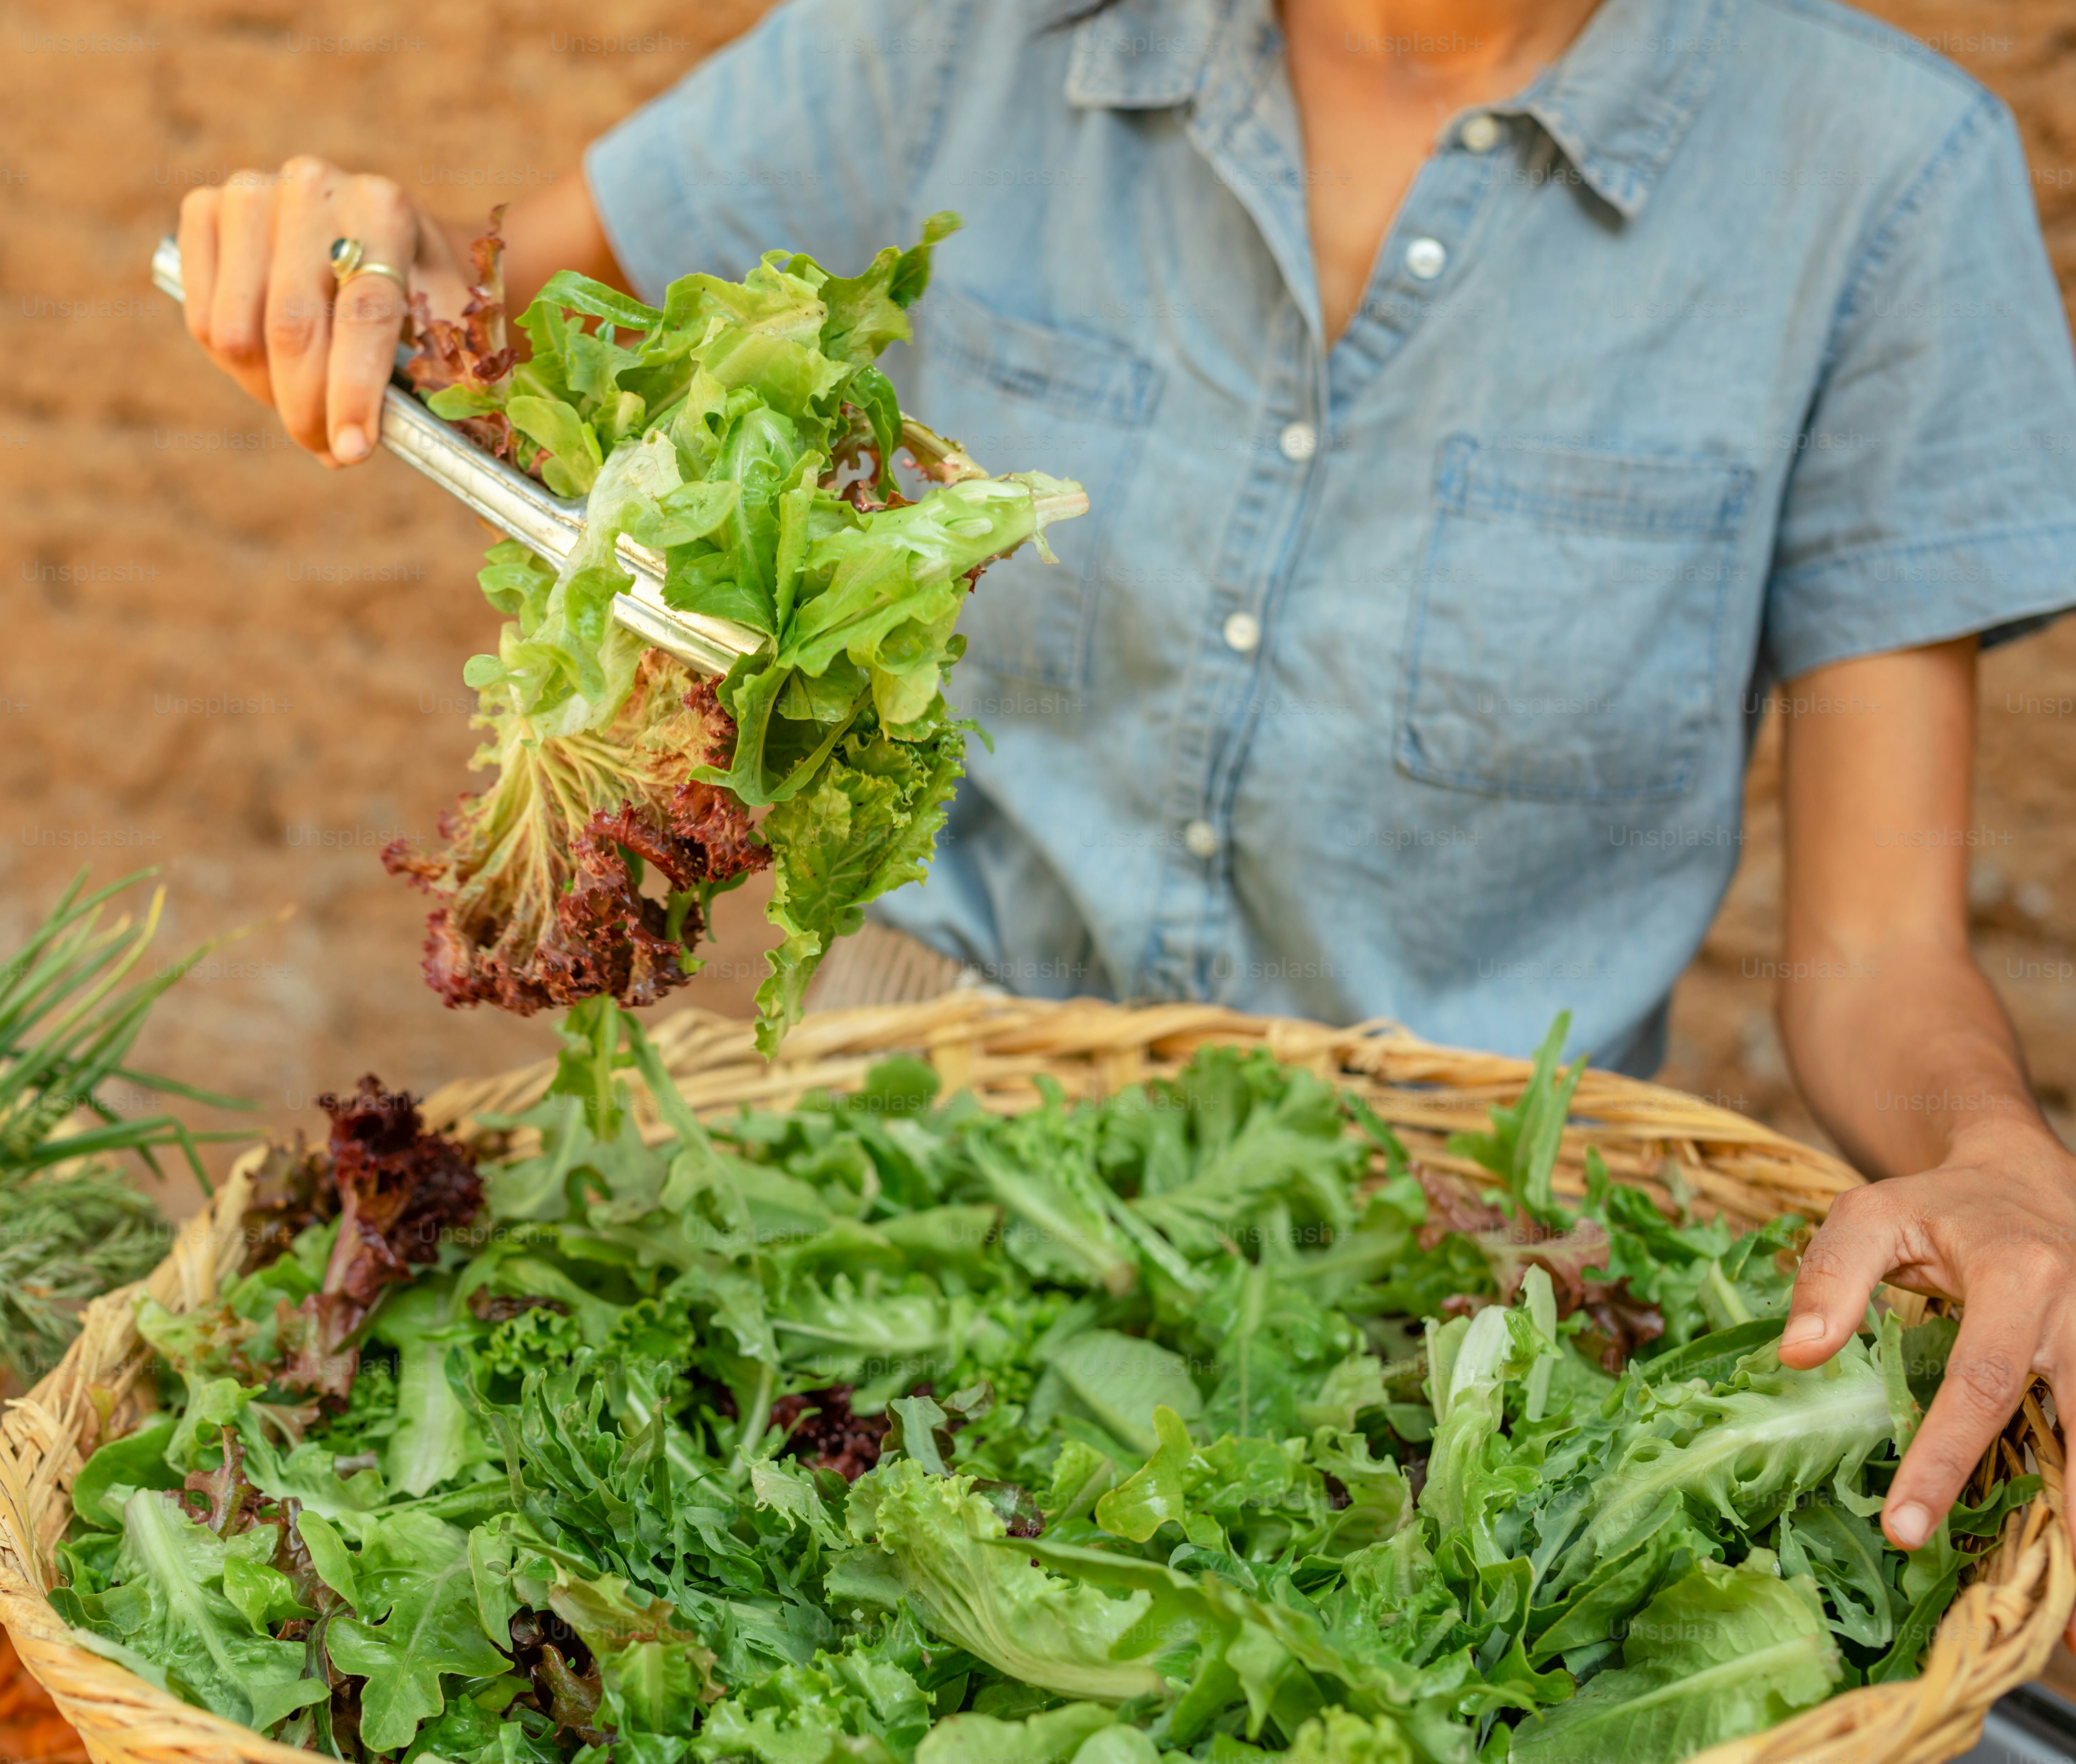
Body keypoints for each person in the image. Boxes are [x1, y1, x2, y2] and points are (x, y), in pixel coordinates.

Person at [172, 0, 2076, 1617]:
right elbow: (487, 317)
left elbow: (1876, 951)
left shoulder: (1876, 181)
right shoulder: (965, 44)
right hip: (890, 1177)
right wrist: (359, 256)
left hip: (1446, 1292)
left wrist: (1991, 1152)